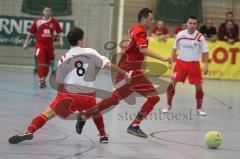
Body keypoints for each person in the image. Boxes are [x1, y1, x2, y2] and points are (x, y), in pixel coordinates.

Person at [8, 27, 131, 144]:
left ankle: (29, 131)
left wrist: (60, 100)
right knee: (95, 110)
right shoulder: (90, 52)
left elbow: (60, 81)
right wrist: (124, 73)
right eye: (84, 38)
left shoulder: (64, 58)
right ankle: (103, 135)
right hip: (88, 96)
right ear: (80, 40)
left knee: (47, 113)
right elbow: (108, 66)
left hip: (69, 95)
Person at [76, 8, 171, 138]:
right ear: (143, 19)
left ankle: (134, 125)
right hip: (128, 72)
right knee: (114, 100)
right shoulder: (140, 31)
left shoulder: (136, 29)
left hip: (134, 72)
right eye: (150, 19)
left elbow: (133, 38)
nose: (152, 21)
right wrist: (163, 58)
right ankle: (85, 115)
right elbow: (143, 50)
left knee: (153, 97)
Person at [162, 16, 209, 116]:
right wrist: (172, 60)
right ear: (187, 24)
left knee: (199, 86)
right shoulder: (180, 34)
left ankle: (199, 108)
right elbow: (174, 49)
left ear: (197, 25)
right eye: (190, 23)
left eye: (194, 24)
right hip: (181, 63)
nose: (192, 25)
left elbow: (206, 52)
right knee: (172, 83)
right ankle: (168, 105)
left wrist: (206, 65)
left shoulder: (200, 37)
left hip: (194, 64)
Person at [23, 6, 64, 88]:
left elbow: (59, 32)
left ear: (51, 13)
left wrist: (61, 40)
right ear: (43, 12)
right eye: (46, 10)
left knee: (47, 64)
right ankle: (41, 80)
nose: (47, 12)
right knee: (41, 62)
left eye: (49, 11)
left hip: (50, 46)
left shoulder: (54, 22)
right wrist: (26, 43)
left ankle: (43, 78)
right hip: (40, 45)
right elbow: (30, 33)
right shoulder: (38, 21)